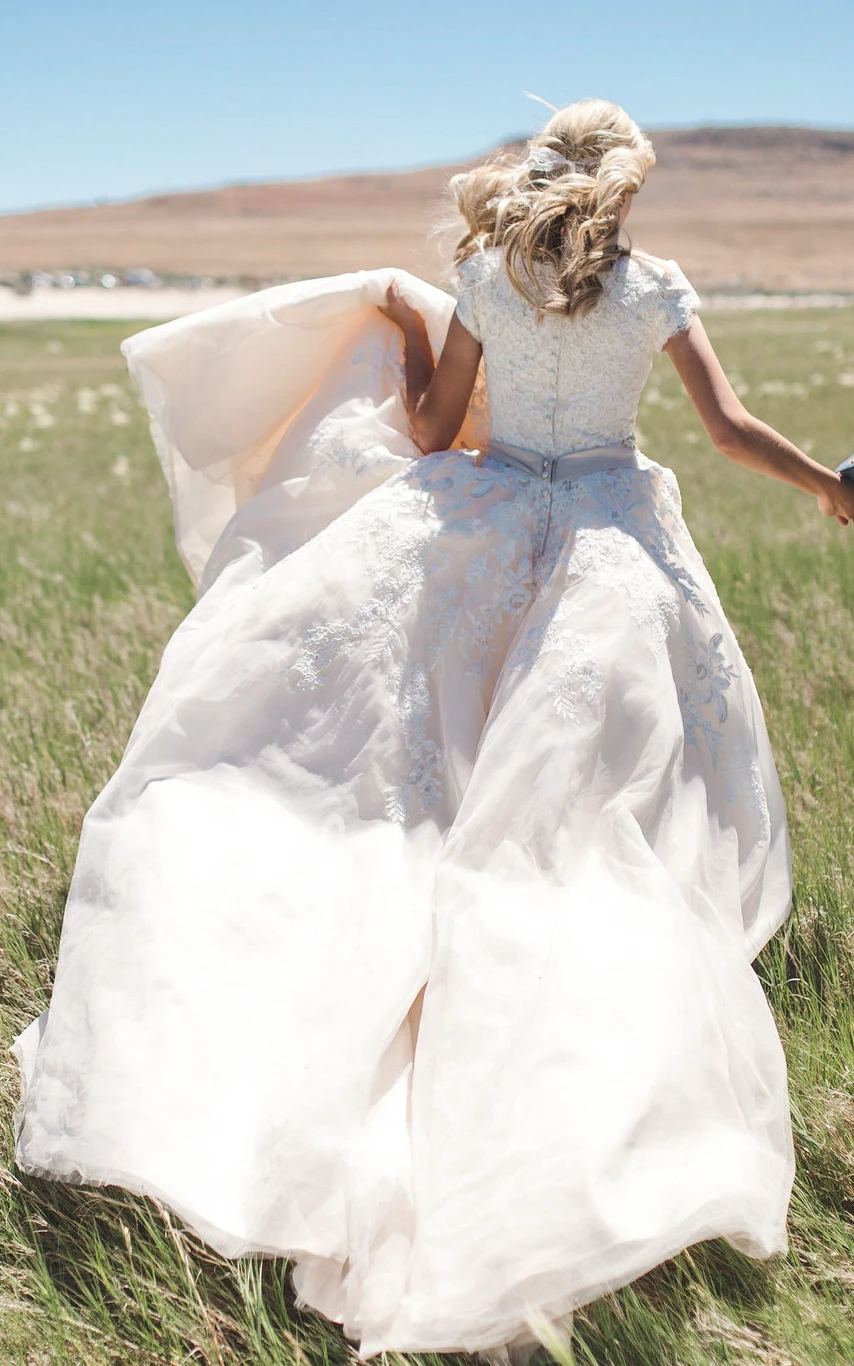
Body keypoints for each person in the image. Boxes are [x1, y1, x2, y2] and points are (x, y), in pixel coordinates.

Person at [10, 97, 854, 1365]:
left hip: (482, 523)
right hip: (610, 545)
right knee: (585, 816)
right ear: (620, 190)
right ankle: (557, 1074)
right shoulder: (651, 288)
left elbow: (425, 426)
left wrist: (412, 328)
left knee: (429, 782)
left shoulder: (484, 280)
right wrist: (830, 486)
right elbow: (727, 433)